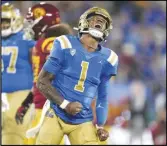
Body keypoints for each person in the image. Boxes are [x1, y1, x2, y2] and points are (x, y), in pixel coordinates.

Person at [36, 7, 119, 144]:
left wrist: (100, 125)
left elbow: (102, 96)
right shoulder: (65, 44)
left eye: (103, 21)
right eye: (94, 19)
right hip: (56, 112)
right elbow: (42, 81)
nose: (99, 22)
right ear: (84, 22)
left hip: (83, 120)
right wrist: (65, 104)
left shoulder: (109, 58)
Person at [14, 3, 72, 145]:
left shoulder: (50, 44)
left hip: (49, 110)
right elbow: (40, 81)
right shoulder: (44, 43)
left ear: (44, 24)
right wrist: (27, 103)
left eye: (32, 22)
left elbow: (57, 77)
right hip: (44, 107)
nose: (29, 27)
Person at [1, 3, 35, 145]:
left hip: (20, 93)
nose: (3, 25)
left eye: (5, 22)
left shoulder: (25, 38)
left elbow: (40, 62)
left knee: (14, 129)